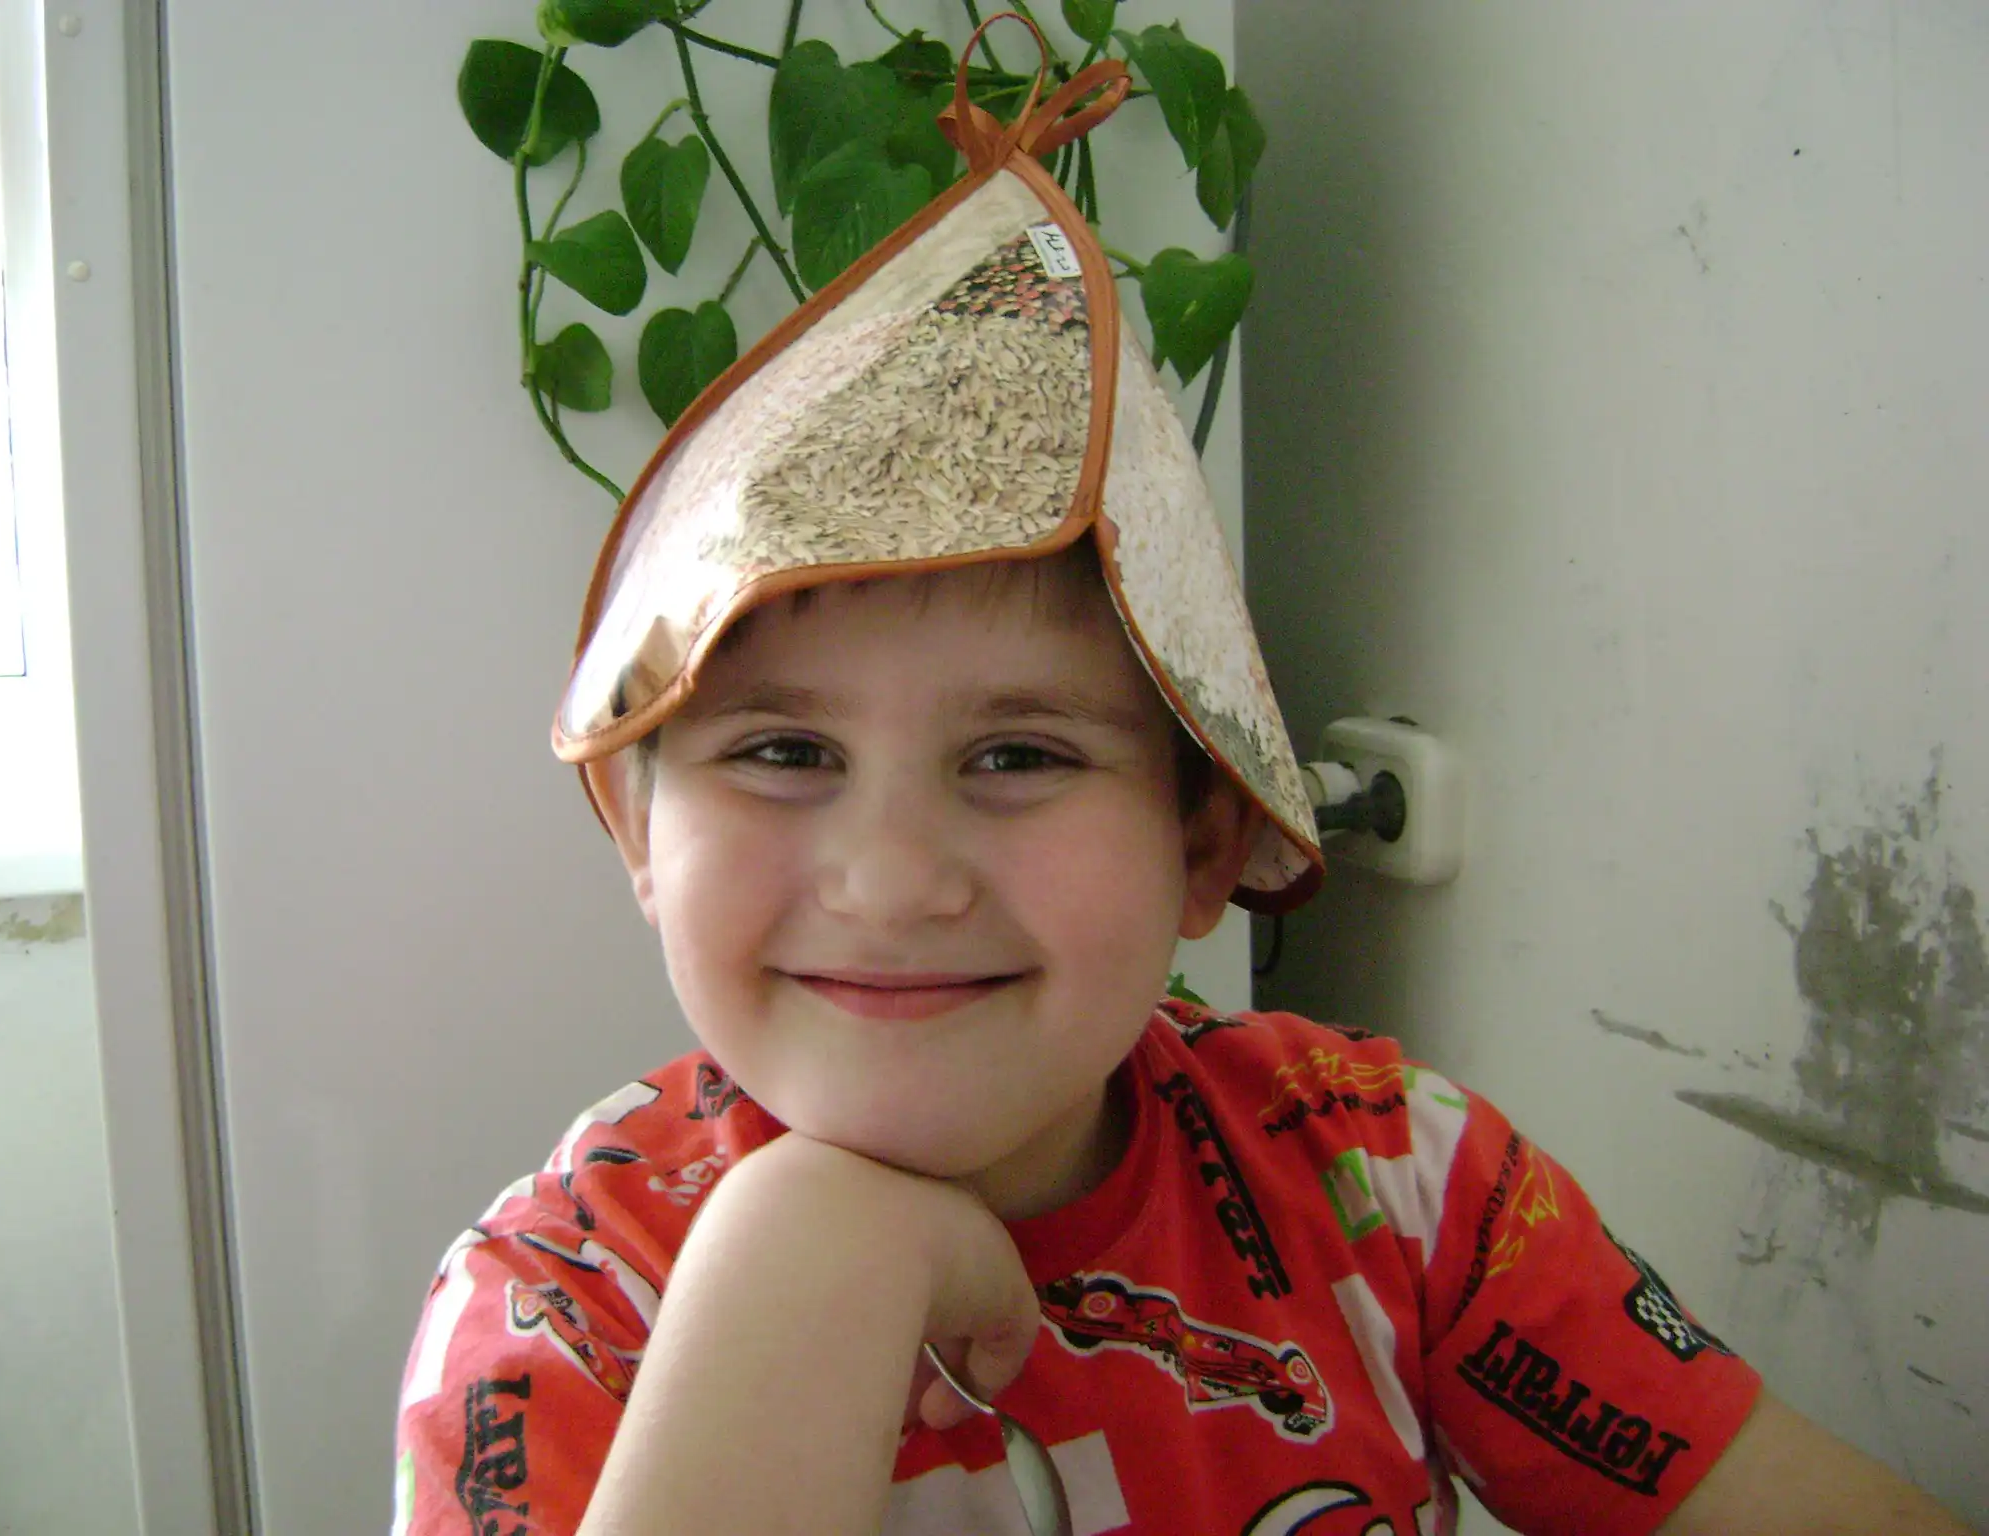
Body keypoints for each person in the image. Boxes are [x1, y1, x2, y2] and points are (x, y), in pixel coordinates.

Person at [392, 38, 1974, 1536]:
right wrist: (805, 1261)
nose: (891, 880)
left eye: (1018, 755)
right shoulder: (560, 1302)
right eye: (783, 753)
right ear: (638, 828)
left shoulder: (1393, 1182)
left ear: (1204, 840)